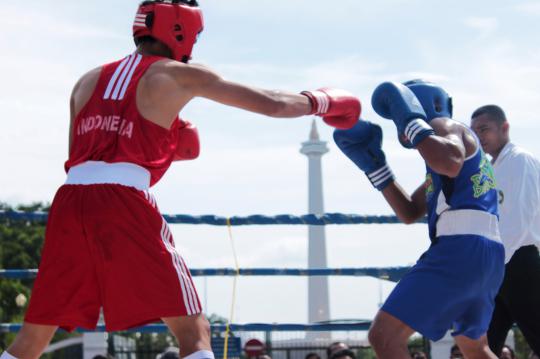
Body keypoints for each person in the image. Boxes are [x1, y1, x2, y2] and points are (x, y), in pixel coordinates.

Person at [0, 2, 361, 359]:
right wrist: (323, 102)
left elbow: (83, 156)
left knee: (33, 337)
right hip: (123, 200)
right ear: (181, 30)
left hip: (70, 201)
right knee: (194, 331)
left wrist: (164, 142)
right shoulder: (175, 74)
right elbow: (273, 103)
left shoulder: (86, 80)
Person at [333, 79, 504, 359]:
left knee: (384, 337)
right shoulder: (450, 164)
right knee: (474, 347)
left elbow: (449, 161)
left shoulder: (445, 127)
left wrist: (413, 122)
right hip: (486, 255)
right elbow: (410, 211)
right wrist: (376, 167)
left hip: (459, 250)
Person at [471, 105, 540, 357]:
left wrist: (493, 266)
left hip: (520, 261)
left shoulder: (519, 159)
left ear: (505, 128)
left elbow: (521, 219)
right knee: (480, 344)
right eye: (474, 132)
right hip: (497, 266)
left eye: (484, 129)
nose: (478, 137)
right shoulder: (489, 168)